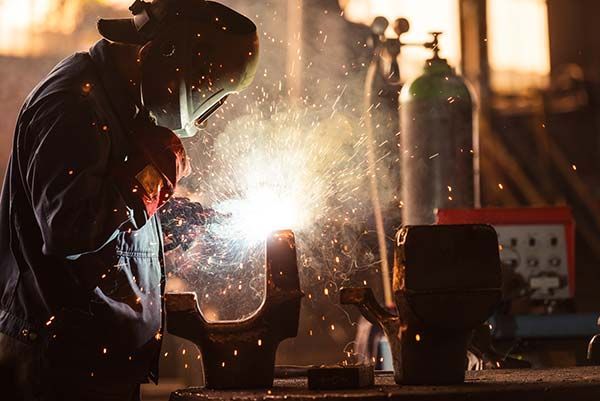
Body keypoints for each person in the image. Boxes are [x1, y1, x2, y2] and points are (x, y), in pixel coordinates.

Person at [0, 0, 258, 399]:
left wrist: (169, 220)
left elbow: (110, 210)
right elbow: (71, 228)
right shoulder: (75, 104)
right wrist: (151, 178)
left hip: (95, 362)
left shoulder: (120, 101)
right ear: (171, 57)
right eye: (206, 86)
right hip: (60, 370)